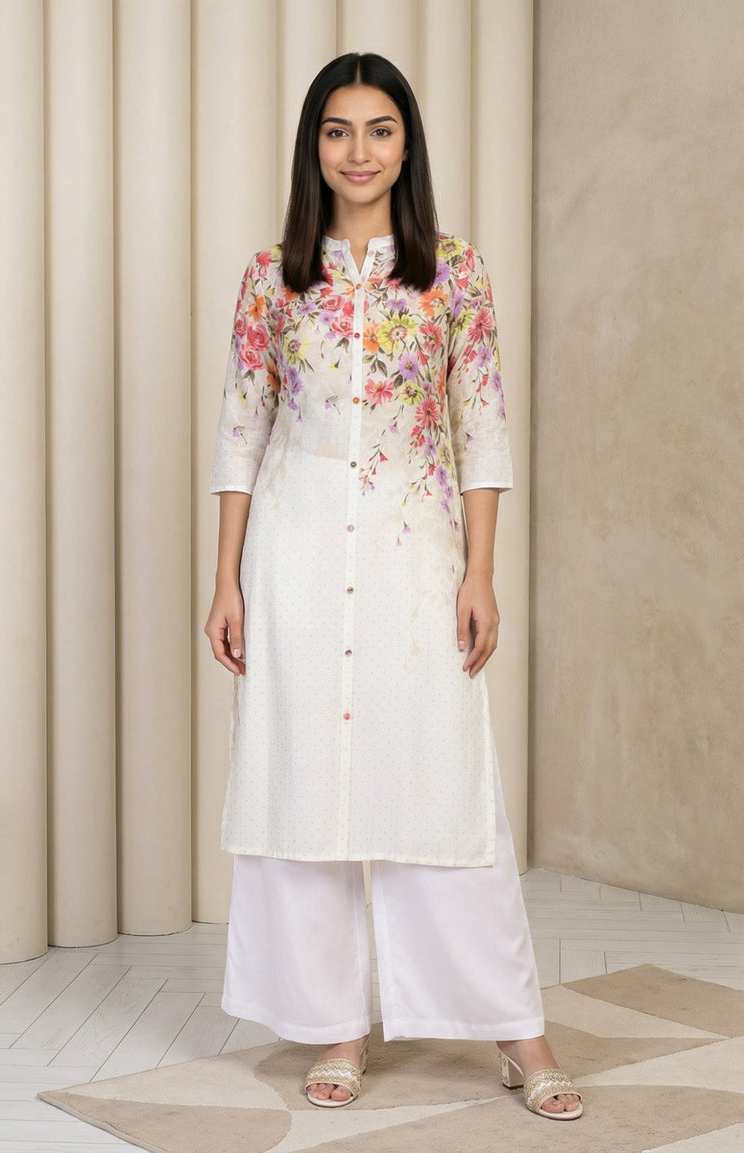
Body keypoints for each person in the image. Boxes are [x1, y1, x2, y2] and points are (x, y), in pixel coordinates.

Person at [205, 52, 582, 1121]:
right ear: (313, 146)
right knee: (305, 785)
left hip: (414, 558)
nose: (357, 151)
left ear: (406, 144)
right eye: (337, 130)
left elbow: (482, 429)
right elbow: (241, 431)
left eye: (378, 129)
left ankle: (515, 1029)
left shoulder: (453, 274)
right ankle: (335, 1023)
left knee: (441, 784)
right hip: (293, 557)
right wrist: (226, 579)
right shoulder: (271, 276)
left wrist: (479, 571)